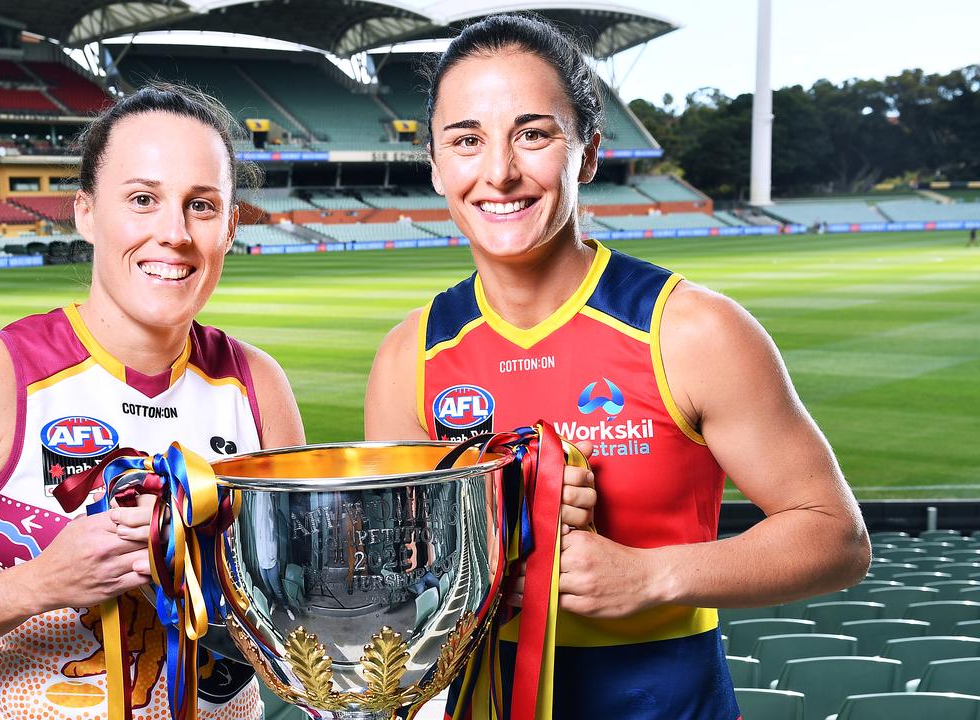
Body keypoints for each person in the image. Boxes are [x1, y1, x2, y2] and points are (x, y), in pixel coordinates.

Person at [365, 14, 870, 719]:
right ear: (435, 163)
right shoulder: (409, 356)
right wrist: (495, 532)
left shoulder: (693, 330)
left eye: (533, 134)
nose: (499, 171)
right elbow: (393, 579)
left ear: (589, 153)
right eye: (466, 140)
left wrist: (653, 574)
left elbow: (836, 536)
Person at [0, 83, 306, 720]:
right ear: (85, 212)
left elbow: (303, 609)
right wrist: (37, 585)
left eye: (201, 205)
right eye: (143, 200)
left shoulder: (258, 386)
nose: (174, 233)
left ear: (228, 226)